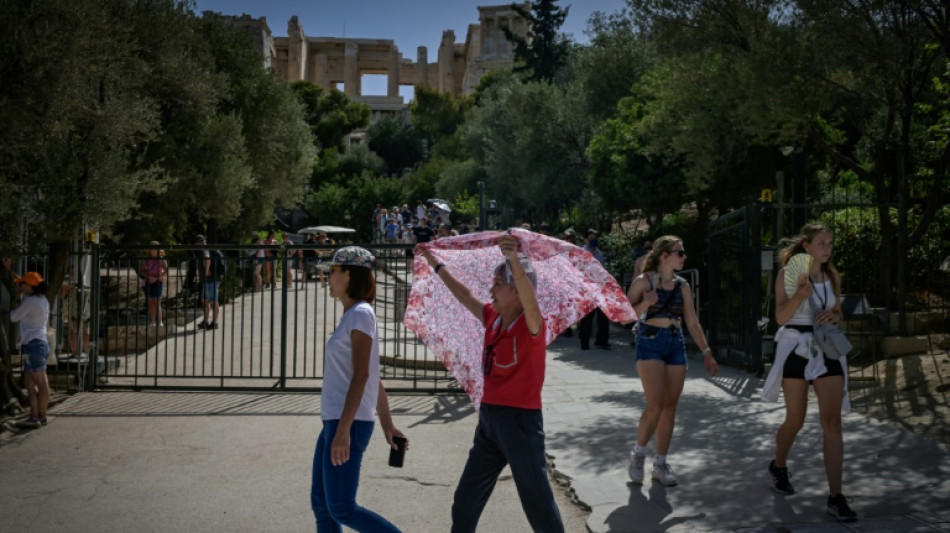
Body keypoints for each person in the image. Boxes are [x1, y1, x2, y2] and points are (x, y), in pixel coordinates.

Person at [418, 234, 566, 533]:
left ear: (515, 291)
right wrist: (435, 263)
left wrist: (513, 260)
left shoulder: (532, 324)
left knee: (537, 502)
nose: (490, 290)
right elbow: (463, 295)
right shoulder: (493, 318)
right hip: (490, 422)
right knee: (465, 499)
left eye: (497, 285)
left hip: (520, 424)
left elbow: (530, 300)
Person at [763, 222, 857, 522]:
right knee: (796, 420)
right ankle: (779, 465)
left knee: (832, 421)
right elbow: (780, 317)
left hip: (826, 346)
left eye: (830, 243)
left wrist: (834, 315)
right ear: (806, 246)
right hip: (796, 346)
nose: (827, 248)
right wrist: (800, 297)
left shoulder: (831, 275)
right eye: (821, 243)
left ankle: (836, 496)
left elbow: (839, 312)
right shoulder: (787, 275)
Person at [311, 246, 405, 533]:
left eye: (333, 272)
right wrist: (389, 425)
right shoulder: (353, 314)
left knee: (342, 508)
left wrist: (342, 431)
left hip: (345, 424)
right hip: (337, 420)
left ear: (349, 275)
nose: (328, 277)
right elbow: (372, 375)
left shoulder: (360, 314)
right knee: (323, 503)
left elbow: (363, 374)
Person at [625, 235, 718, 486]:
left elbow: (692, 321)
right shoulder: (644, 281)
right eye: (679, 252)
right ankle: (638, 453)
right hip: (650, 342)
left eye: (683, 252)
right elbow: (624, 316)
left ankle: (661, 463)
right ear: (664, 255)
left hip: (675, 343)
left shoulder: (683, 285)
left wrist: (706, 351)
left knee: (669, 407)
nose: (684, 257)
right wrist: (646, 301)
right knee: (654, 405)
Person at [10, 272, 50, 429]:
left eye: (22, 284)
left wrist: (15, 300)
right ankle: (38, 415)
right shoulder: (42, 299)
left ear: (30, 286)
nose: (20, 287)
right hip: (38, 344)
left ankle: (37, 417)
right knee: (29, 381)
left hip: (33, 345)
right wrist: (10, 270)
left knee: (40, 382)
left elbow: (14, 317)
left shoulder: (30, 301)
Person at [578, 229, 611, 350]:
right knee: (587, 317)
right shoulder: (581, 252)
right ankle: (584, 342)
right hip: (586, 288)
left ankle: (602, 341)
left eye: (595, 238)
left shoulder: (599, 253)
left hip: (599, 288)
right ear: (585, 240)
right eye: (591, 238)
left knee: (603, 316)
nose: (593, 240)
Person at [196, 235, 223, 331]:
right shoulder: (207, 248)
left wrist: (207, 271)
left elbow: (207, 258)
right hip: (209, 280)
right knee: (205, 300)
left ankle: (214, 323)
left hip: (210, 280)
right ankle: (206, 321)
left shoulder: (204, 250)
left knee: (213, 300)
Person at [140, 241, 168, 327]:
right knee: (150, 302)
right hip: (148, 281)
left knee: (157, 302)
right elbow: (142, 270)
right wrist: (149, 277)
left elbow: (166, 271)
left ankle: (160, 322)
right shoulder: (146, 259)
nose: (154, 250)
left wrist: (158, 277)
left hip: (158, 281)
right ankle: (152, 322)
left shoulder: (162, 259)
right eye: (152, 248)